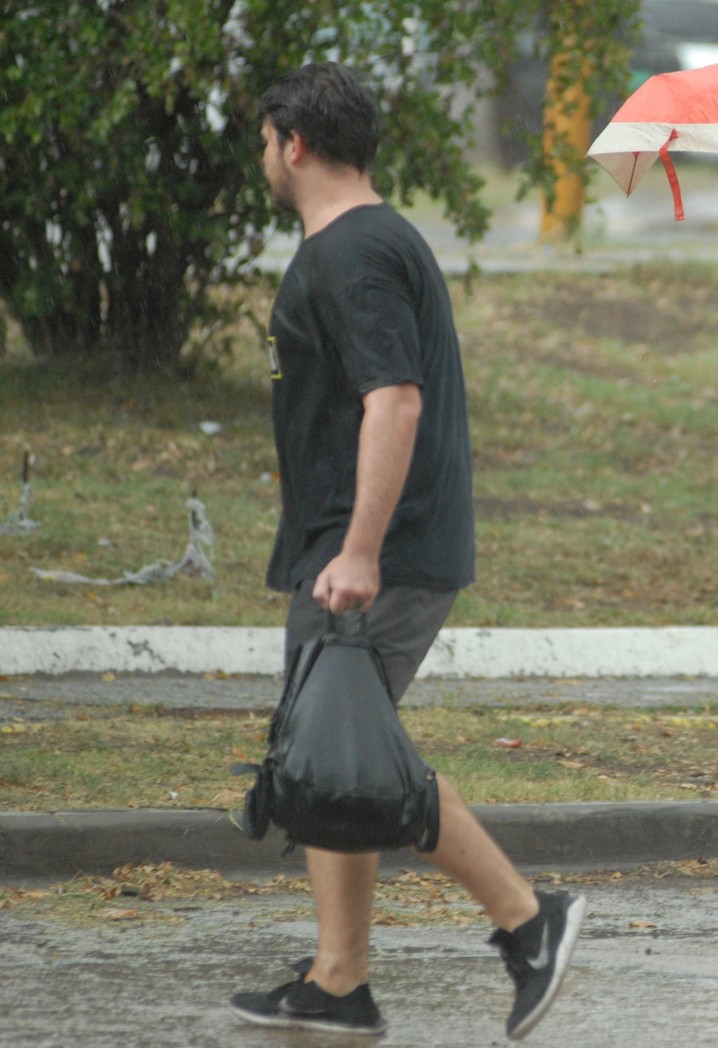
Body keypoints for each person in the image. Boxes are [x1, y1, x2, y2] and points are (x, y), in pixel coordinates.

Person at [229, 62, 583, 1040]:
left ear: (293, 143)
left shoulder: (353, 252)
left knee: (356, 763)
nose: (264, 158)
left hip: (368, 557)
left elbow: (395, 399)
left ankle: (528, 922)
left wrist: (359, 550)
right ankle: (340, 978)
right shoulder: (360, 243)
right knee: (326, 759)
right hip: (344, 548)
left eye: (265, 142)